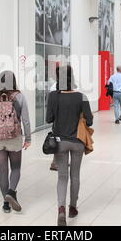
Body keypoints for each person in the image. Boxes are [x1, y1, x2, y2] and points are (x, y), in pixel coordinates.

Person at [46, 65, 93, 226]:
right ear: (72, 78)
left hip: (60, 142)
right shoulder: (82, 96)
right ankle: (73, 207)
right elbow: (90, 120)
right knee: (75, 175)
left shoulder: (53, 96)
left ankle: (61, 210)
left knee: (62, 177)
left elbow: (48, 119)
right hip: (78, 142)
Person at [0, 71, 31, 213]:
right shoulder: (19, 96)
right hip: (14, 137)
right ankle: (11, 192)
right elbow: (25, 119)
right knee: (16, 168)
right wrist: (28, 138)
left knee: (3, 171)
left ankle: (5, 205)